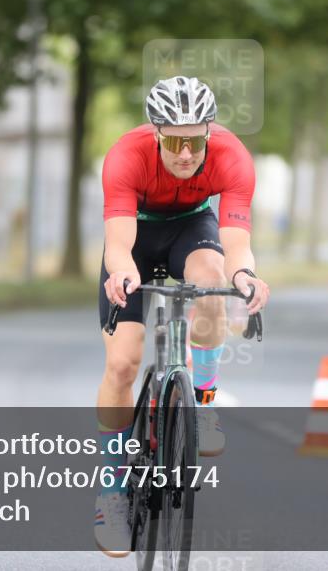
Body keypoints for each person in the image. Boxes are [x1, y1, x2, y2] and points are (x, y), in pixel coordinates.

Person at [93, 75, 270, 556]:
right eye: (174, 142)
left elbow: (236, 245)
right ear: (155, 134)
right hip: (137, 238)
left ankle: (204, 403)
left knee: (213, 277)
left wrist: (247, 277)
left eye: (195, 141)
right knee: (122, 365)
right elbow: (118, 244)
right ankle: (112, 492)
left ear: (209, 133)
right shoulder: (126, 156)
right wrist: (122, 275)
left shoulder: (233, 158)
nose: (186, 153)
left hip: (192, 227)